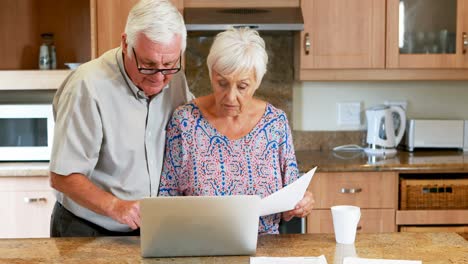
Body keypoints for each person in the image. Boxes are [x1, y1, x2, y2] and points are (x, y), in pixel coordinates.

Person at [49, 0, 193, 237]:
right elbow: (63, 177)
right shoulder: (88, 87)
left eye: (168, 64)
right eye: (148, 64)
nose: (159, 77)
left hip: (148, 229)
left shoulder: (175, 79)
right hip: (87, 228)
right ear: (126, 44)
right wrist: (115, 206)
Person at [159, 28, 314, 234]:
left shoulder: (275, 123)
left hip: (265, 248)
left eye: (242, 87)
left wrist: (301, 203)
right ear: (211, 75)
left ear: (257, 82)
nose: (230, 97)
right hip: (200, 245)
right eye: (222, 83)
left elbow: (290, 201)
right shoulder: (185, 122)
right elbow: (166, 199)